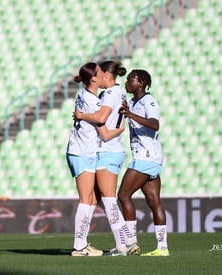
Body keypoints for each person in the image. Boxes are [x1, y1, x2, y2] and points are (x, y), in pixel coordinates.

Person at [73, 60, 139, 256]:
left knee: (109, 200)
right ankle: (127, 240)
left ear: (107, 76)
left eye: (102, 73)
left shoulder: (110, 93)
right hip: (110, 149)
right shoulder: (114, 93)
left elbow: (101, 118)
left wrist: (81, 115)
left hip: (108, 149)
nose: (100, 77)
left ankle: (123, 245)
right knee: (100, 199)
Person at [66, 62, 124, 256]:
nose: (104, 75)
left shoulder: (87, 95)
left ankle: (82, 242)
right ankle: (79, 246)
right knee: (85, 199)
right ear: (94, 78)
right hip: (81, 151)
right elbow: (100, 119)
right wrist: (120, 129)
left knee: (90, 199)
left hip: (85, 151)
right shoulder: (91, 99)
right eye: (100, 72)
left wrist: (82, 116)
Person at [118, 69, 169, 256]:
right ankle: (162, 248)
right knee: (154, 201)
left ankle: (131, 243)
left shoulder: (149, 101)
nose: (126, 83)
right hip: (151, 158)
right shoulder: (132, 102)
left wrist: (131, 115)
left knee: (123, 195)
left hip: (146, 157)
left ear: (140, 83)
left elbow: (155, 124)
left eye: (130, 80)